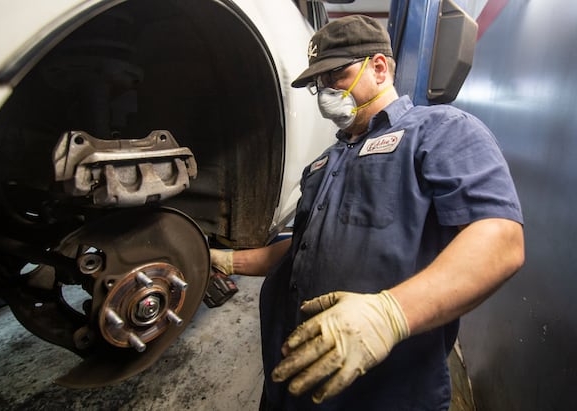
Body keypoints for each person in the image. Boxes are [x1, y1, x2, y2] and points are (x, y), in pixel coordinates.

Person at [210, 14, 524, 410]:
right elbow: (299, 250)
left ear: (378, 67)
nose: (326, 93)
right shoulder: (324, 164)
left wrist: (390, 315)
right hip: (292, 380)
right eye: (318, 85)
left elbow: (502, 240)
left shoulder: (440, 130)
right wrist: (223, 261)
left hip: (382, 393)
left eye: (336, 77)